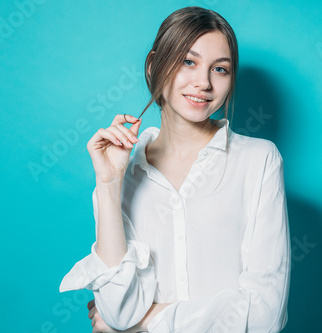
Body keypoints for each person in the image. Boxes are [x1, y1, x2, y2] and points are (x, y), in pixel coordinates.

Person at [59, 6, 291, 333]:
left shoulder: (259, 161)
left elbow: (265, 317)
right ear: (155, 65)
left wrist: (146, 318)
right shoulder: (120, 171)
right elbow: (116, 311)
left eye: (220, 69)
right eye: (188, 62)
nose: (203, 82)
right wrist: (109, 185)